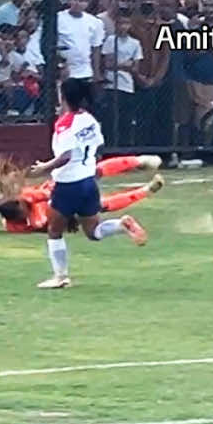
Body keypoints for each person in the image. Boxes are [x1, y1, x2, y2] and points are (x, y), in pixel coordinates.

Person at [30, 77, 148, 289]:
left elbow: (66, 156)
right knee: (93, 232)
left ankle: (60, 276)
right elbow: (97, 147)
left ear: (63, 96)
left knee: (54, 231)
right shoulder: (89, 119)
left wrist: (44, 168)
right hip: (88, 182)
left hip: (68, 184)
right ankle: (122, 224)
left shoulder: (64, 124)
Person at [0, 153, 164, 232]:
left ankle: (139, 161)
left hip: (59, 192)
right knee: (100, 205)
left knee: (91, 173)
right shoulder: (24, 224)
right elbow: (45, 225)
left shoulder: (27, 198)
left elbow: (49, 194)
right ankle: (146, 190)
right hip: (63, 212)